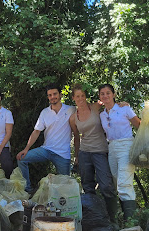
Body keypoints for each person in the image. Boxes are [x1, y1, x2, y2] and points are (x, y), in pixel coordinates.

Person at [16, 83, 79, 193]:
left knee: (65, 185)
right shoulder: (45, 112)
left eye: (54, 94)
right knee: (21, 159)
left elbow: (85, 110)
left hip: (62, 154)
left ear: (60, 95)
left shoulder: (71, 110)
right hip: (46, 150)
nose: (52, 97)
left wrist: (77, 155)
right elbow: (36, 132)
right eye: (49, 95)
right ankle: (28, 190)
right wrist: (26, 149)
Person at [69, 84, 118, 223]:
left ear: (86, 96)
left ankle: (113, 219)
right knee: (88, 186)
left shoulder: (96, 107)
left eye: (83, 95)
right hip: (84, 153)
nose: (80, 98)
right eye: (77, 96)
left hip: (100, 151)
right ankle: (95, 218)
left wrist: (121, 104)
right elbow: (76, 137)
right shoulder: (73, 118)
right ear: (73, 98)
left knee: (106, 186)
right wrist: (77, 156)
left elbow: (110, 104)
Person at [98, 84, 141, 220]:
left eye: (108, 93)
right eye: (102, 93)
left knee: (124, 184)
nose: (105, 96)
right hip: (112, 148)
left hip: (126, 145)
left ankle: (131, 223)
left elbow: (140, 125)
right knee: (116, 183)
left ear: (114, 94)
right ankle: (120, 219)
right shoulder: (102, 115)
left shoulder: (124, 109)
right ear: (99, 97)